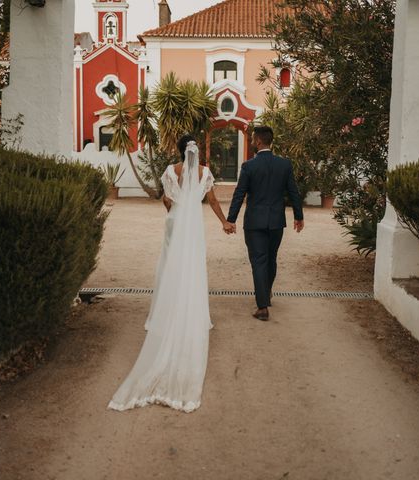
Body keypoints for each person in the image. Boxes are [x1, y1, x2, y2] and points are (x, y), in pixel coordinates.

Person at [108, 134, 232, 413]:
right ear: (196, 153)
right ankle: (192, 312)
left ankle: (164, 311)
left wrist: (174, 210)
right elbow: (211, 201)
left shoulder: (169, 171)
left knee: (170, 264)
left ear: (178, 151)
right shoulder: (205, 173)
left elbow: (166, 199)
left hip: (175, 221)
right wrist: (225, 222)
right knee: (193, 265)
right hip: (193, 227)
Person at [225, 126, 304, 321]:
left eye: (252, 139)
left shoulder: (248, 166)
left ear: (259, 141)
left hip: (254, 223)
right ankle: (266, 292)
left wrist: (231, 219)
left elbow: (239, 194)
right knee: (271, 259)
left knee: (259, 261)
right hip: (276, 222)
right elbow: (293, 192)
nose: (252, 142)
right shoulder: (284, 165)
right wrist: (298, 216)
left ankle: (262, 307)